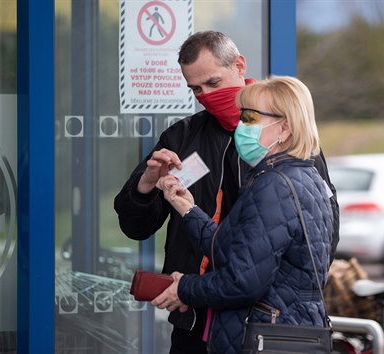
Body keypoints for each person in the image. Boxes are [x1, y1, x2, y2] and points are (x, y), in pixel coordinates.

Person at [114, 31, 339, 354]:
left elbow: (323, 236)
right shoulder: (182, 138)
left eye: (213, 83)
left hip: (261, 319)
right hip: (194, 316)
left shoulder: (291, 152)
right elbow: (135, 226)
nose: (206, 95)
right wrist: (148, 185)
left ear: (239, 66)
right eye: (196, 89)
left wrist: (279, 291)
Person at [152, 75, 334, 354]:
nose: (241, 126)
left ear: (284, 127)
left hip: (267, 337)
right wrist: (187, 208)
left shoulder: (275, 185)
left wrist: (184, 288)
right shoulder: (300, 176)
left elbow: (242, 281)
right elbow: (237, 250)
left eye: (250, 118)